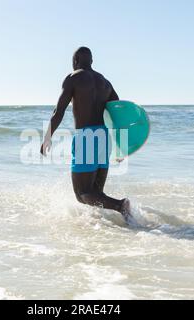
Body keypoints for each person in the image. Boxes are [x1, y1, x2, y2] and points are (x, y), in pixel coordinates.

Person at [40, 47, 132, 221]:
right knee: (96, 193)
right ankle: (101, 225)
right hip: (103, 137)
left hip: (86, 136)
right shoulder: (105, 82)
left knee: (82, 194)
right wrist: (122, 147)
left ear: (75, 61)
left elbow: (58, 111)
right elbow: (119, 115)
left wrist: (47, 138)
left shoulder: (73, 78)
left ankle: (121, 206)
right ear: (92, 61)